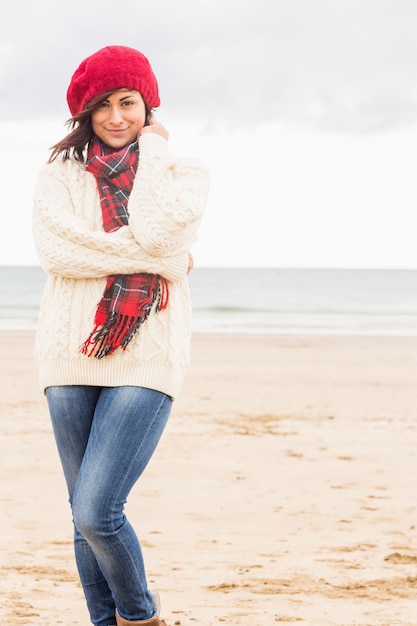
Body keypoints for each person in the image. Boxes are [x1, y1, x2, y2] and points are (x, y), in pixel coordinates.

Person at [32, 45, 210, 626]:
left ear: (148, 106)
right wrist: (161, 260)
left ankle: (139, 616)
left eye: (128, 102)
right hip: (68, 355)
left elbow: (159, 231)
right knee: (81, 517)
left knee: (96, 510)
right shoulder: (58, 175)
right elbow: (57, 252)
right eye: (102, 106)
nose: (115, 117)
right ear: (84, 114)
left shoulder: (183, 174)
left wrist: (153, 153)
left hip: (147, 356)